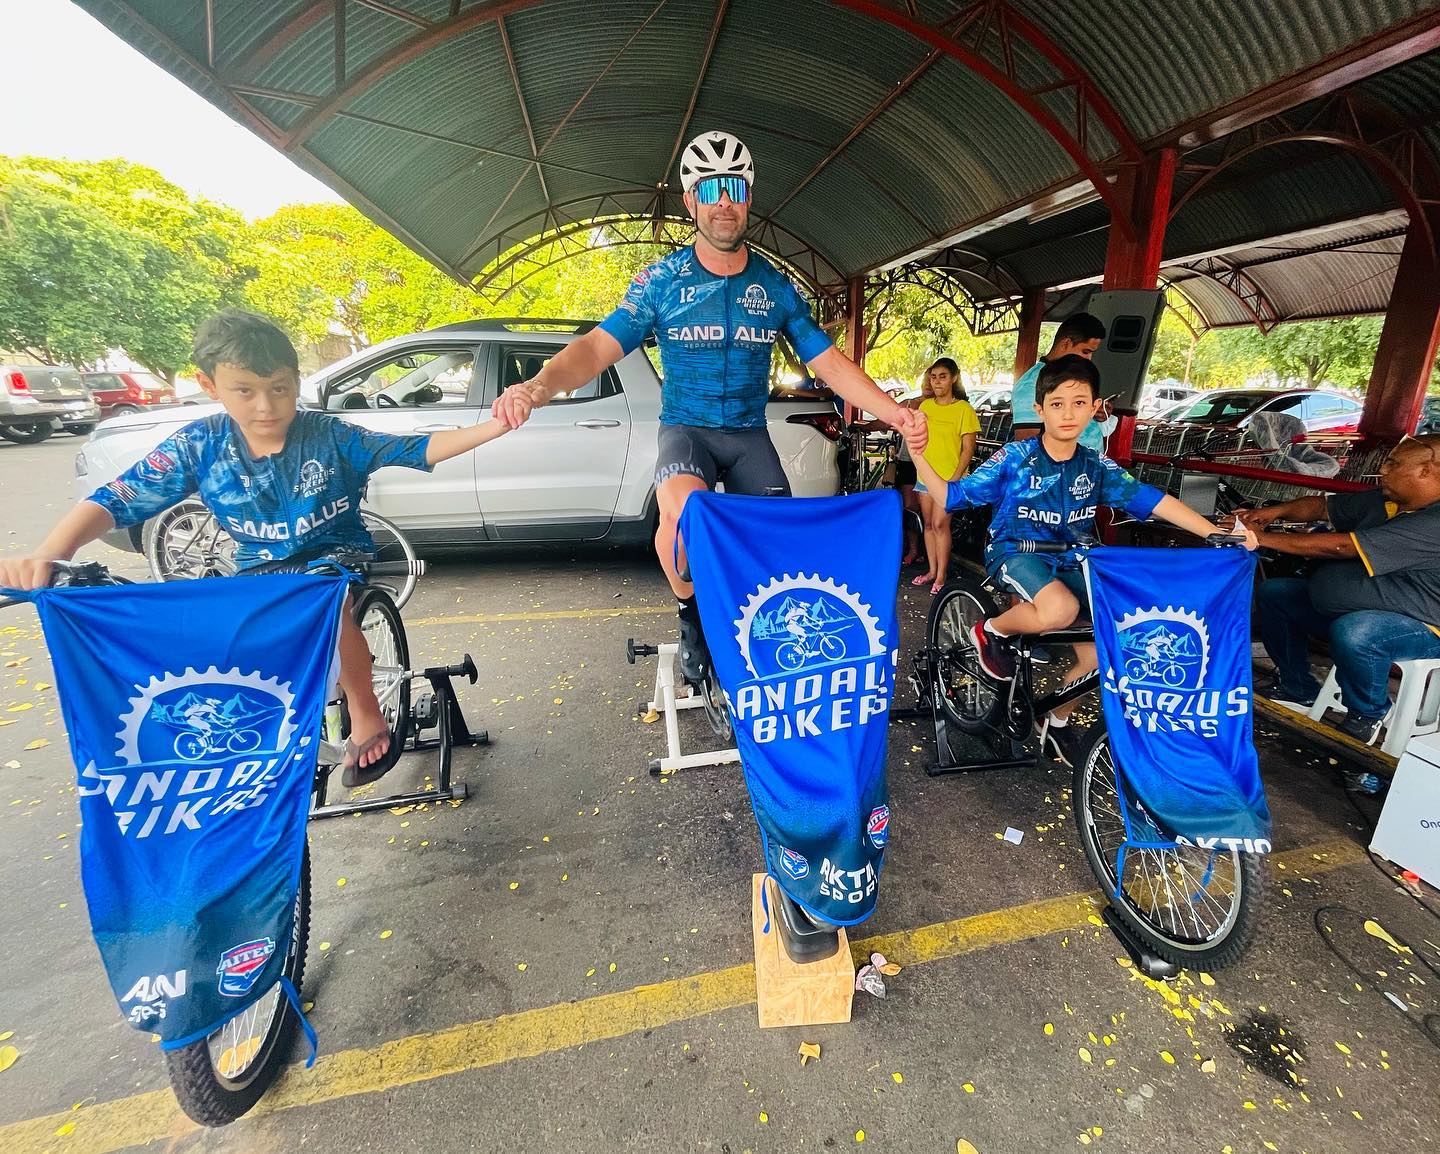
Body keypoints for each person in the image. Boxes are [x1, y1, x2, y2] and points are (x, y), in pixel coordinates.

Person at [0, 309, 509, 786]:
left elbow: (419, 449)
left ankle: (365, 711)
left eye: (279, 389)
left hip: (335, 558)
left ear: (295, 382)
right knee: (208, 638)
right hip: (255, 570)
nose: (265, 407)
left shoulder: (330, 435)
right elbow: (117, 499)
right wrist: (49, 552)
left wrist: (497, 425)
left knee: (321, 603)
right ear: (209, 385)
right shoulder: (198, 444)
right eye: (244, 391)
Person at [491, 130, 926, 686]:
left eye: (735, 188)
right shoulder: (662, 280)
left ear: (748, 198)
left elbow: (830, 364)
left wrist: (895, 412)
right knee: (685, 519)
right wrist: (539, 385)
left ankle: (761, 630)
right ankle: (692, 616)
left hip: (748, 434)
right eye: (711, 189)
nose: (724, 201)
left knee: (770, 544)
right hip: (687, 430)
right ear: (691, 201)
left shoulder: (773, 286)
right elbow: (599, 346)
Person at [911, 355, 1255, 766]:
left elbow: (1153, 500)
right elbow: (951, 497)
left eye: (1079, 403)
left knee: (1105, 649)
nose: (1068, 413)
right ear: (1040, 410)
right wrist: (917, 455)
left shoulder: (1096, 465)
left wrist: (1213, 532)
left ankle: (1055, 722)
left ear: (1096, 408)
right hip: (1015, 552)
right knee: (1060, 609)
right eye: (1057, 404)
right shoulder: (1015, 458)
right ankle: (991, 630)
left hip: (1076, 558)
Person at [1238, 434, 1440, 766]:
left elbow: (1339, 546)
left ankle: (1367, 716)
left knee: (1358, 632)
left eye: (1394, 463)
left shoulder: (1432, 522)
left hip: (1423, 627)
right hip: (1361, 610)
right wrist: (1272, 512)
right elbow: (1321, 506)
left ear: (1426, 471)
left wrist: (1258, 539)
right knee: (1277, 594)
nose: (1382, 470)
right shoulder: (1385, 500)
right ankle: (1298, 687)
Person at [912, 358, 979, 594]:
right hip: (925, 476)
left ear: (954, 378)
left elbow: (968, 448)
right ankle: (931, 570)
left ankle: (942, 575)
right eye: (933, 376)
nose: (937, 381)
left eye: (942, 376)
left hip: (949, 478)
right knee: (928, 524)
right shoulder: (925, 407)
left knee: (941, 524)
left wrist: (955, 478)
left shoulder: (964, 409)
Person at [1010, 313, 1109, 451]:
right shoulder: (1030, 384)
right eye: (1085, 351)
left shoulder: (1074, 378)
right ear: (1066, 343)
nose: (1089, 358)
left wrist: (1095, 412)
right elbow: (1027, 447)